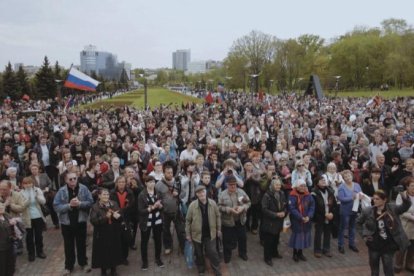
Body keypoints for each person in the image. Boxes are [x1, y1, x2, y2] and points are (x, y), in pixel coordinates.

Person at [357, 189, 411, 276]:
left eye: (377, 199)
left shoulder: (393, 208)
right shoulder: (368, 210)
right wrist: (364, 235)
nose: (375, 200)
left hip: (388, 245)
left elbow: (405, 206)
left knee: (388, 270)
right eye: (374, 198)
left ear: (384, 199)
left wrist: (404, 196)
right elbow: (358, 223)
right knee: (374, 271)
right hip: (373, 244)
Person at [53, 171, 94, 275]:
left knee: (81, 244)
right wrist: (69, 206)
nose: (73, 180)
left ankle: (83, 263)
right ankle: (68, 266)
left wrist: (80, 204)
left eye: (75, 178)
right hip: (67, 223)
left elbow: (91, 202)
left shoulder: (84, 188)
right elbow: (56, 206)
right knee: (68, 246)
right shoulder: (61, 191)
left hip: (80, 221)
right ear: (66, 180)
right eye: (70, 179)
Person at [186, 185, 222, 276]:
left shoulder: (213, 203)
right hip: (197, 235)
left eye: (203, 192)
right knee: (199, 253)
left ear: (206, 192)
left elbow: (218, 216)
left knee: (212, 252)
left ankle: (216, 269)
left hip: (210, 234)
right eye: (199, 193)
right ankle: (201, 268)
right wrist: (188, 234)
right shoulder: (192, 205)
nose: (201, 194)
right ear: (197, 194)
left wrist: (219, 229)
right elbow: (188, 221)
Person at [90, 188, 123, 276]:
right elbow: (94, 221)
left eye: (107, 194)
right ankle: (103, 270)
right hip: (101, 233)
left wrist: (118, 216)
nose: (106, 196)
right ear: (99, 196)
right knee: (103, 252)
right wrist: (105, 217)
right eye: (104, 194)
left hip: (113, 231)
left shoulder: (114, 204)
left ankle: (113, 269)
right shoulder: (95, 206)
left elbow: (121, 217)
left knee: (114, 250)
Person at [218, 175, 251, 263]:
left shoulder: (241, 192)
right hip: (228, 221)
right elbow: (219, 206)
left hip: (240, 220)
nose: (233, 186)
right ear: (226, 185)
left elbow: (248, 202)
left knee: (242, 238)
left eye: (235, 184)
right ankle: (227, 255)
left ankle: (242, 253)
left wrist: (243, 208)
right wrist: (229, 210)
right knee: (227, 239)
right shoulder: (222, 194)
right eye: (231, 184)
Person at [155, 163, 186, 255]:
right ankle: (168, 246)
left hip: (177, 210)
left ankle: (182, 246)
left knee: (180, 230)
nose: (170, 174)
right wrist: (159, 204)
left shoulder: (178, 182)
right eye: (168, 172)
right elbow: (157, 197)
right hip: (165, 211)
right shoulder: (159, 185)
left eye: (171, 172)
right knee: (165, 230)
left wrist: (178, 194)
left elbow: (184, 193)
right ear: (164, 173)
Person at [138, 176, 164, 270]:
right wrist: (152, 207)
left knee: (158, 240)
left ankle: (158, 258)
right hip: (146, 221)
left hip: (157, 220)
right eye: (149, 182)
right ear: (145, 183)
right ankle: (144, 261)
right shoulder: (142, 195)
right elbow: (140, 210)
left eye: (153, 182)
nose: (152, 184)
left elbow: (162, 207)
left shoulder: (158, 192)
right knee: (144, 242)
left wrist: (160, 206)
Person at [109, 176, 135, 266]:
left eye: (123, 182)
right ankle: (117, 257)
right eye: (119, 182)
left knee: (125, 240)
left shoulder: (129, 192)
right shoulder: (112, 193)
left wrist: (125, 208)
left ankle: (124, 258)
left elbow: (132, 205)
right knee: (116, 240)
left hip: (126, 219)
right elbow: (110, 205)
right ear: (116, 183)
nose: (121, 184)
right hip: (116, 219)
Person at [261, 177, 287, 266]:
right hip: (270, 222)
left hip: (279, 222)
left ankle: (275, 253)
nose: (278, 186)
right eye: (276, 185)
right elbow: (264, 209)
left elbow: (285, 205)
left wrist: (284, 212)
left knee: (276, 239)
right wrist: (275, 214)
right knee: (269, 241)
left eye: (279, 185)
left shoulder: (282, 193)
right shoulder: (267, 195)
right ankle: (267, 258)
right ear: (272, 185)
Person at [20, 177, 47, 262]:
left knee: (39, 235)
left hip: (38, 216)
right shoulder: (21, 193)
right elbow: (21, 206)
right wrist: (27, 201)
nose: (28, 185)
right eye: (25, 183)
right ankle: (31, 253)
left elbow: (43, 201)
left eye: (29, 183)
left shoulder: (37, 190)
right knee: (29, 236)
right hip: (27, 217)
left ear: (32, 183)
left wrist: (37, 198)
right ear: (23, 184)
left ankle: (40, 251)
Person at [288, 179, 315, 262]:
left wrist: (309, 216)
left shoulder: (308, 195)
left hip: (306, 220)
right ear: (297, 186)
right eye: (301, 186)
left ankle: (300, 252)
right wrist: (300, 217)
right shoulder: (292, 195)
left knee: (303, 237)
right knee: (297, 237)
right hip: (297, 220)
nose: (303, 187)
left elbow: (312, 206)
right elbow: (292, 208)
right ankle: (295, 253)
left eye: (304, 186)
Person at [311, 176, 337, 258]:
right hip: (320, 217)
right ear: (317, 182)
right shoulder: (314, 193)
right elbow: (314, 208)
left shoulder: (330, 191)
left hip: (329, 216)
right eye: (321, 180)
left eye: (324, 180)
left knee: (327, 233)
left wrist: (332, 213)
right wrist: (324, 214)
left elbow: (334, 205)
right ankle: (317, 250)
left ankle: (326, 249)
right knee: (318, 233)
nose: (323, 181)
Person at [337, 170, 362, 254]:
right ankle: (340, 245)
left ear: (352, 176)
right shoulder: (341, 187)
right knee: (342, 228)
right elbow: (341, 199)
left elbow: (360, 194)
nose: (348, 178)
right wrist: (352, 197)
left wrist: (361, 196)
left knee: (352, 227)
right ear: (343, 178)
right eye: (346, 177)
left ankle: (352, 244)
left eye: (349, 176)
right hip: (345, 211)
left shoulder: (357, 185)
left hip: (354, 209)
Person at [394, 176, 414, 273]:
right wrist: (412, 217)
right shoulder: (401, 195)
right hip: (405, 225)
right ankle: (398, 264)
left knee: (412, 247)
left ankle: (409, 264)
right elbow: (400, 211)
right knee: (402, 246)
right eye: (412, 186)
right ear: (407, 186)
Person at [0, 202, 16, 276]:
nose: (1, 206)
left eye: (2, 205)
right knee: (2, 267)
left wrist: (15, 223)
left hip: (9, 245)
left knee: (11, 266)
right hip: (1, 248)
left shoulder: (6, 215)